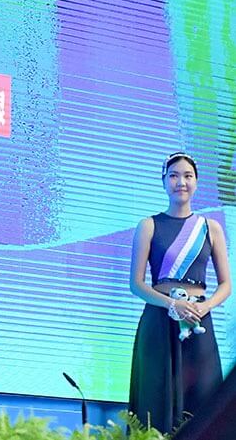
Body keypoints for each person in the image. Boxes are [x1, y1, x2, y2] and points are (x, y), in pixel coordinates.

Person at [128, 152, 231, 433]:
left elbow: (226, 285)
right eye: (173, 175)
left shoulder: (211, 228)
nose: (180, 182)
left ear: (196, 182)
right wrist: (171, 304)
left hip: (198, 322)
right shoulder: (148, 225)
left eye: (187, 176)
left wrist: (204, 306)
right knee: (155, 401)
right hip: (159, 322)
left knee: (204, 402)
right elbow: (136, 284)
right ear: (163, 181)